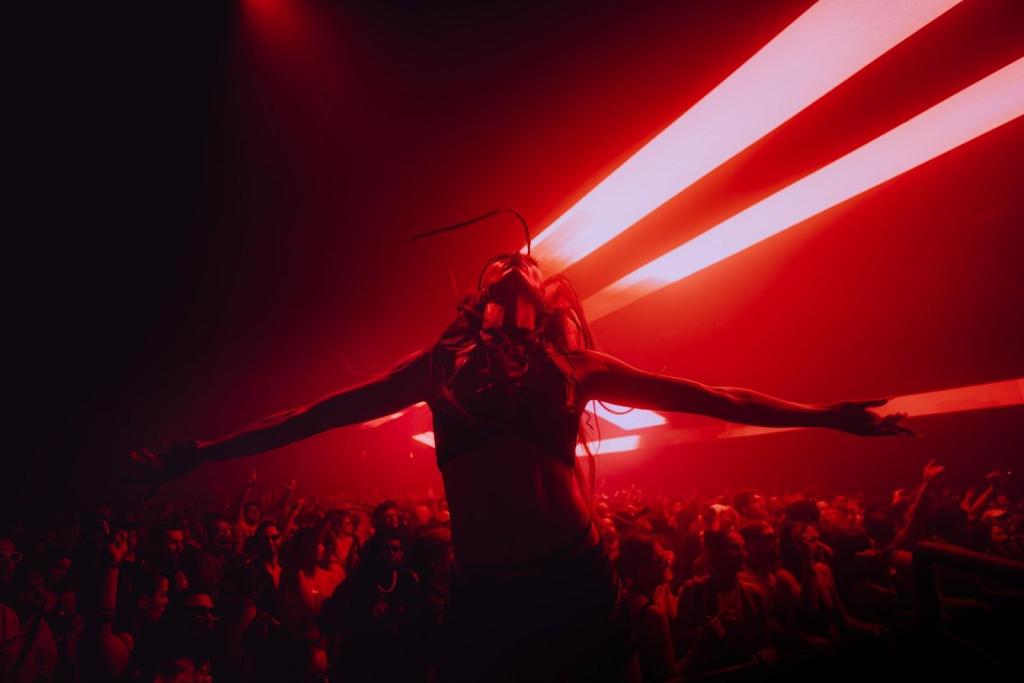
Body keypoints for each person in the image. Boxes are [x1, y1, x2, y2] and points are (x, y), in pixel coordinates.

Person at [129, 248, 912, 680]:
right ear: (483, 295)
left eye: (529, 266)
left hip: (576, 578)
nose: (514, 265)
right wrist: (200, 452)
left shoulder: (576, 363)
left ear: (547, 293)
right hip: (485, 590)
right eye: (502, 264)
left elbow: (710, 393)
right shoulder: (439, 360)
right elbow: (317, 412)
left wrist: (828, 417)